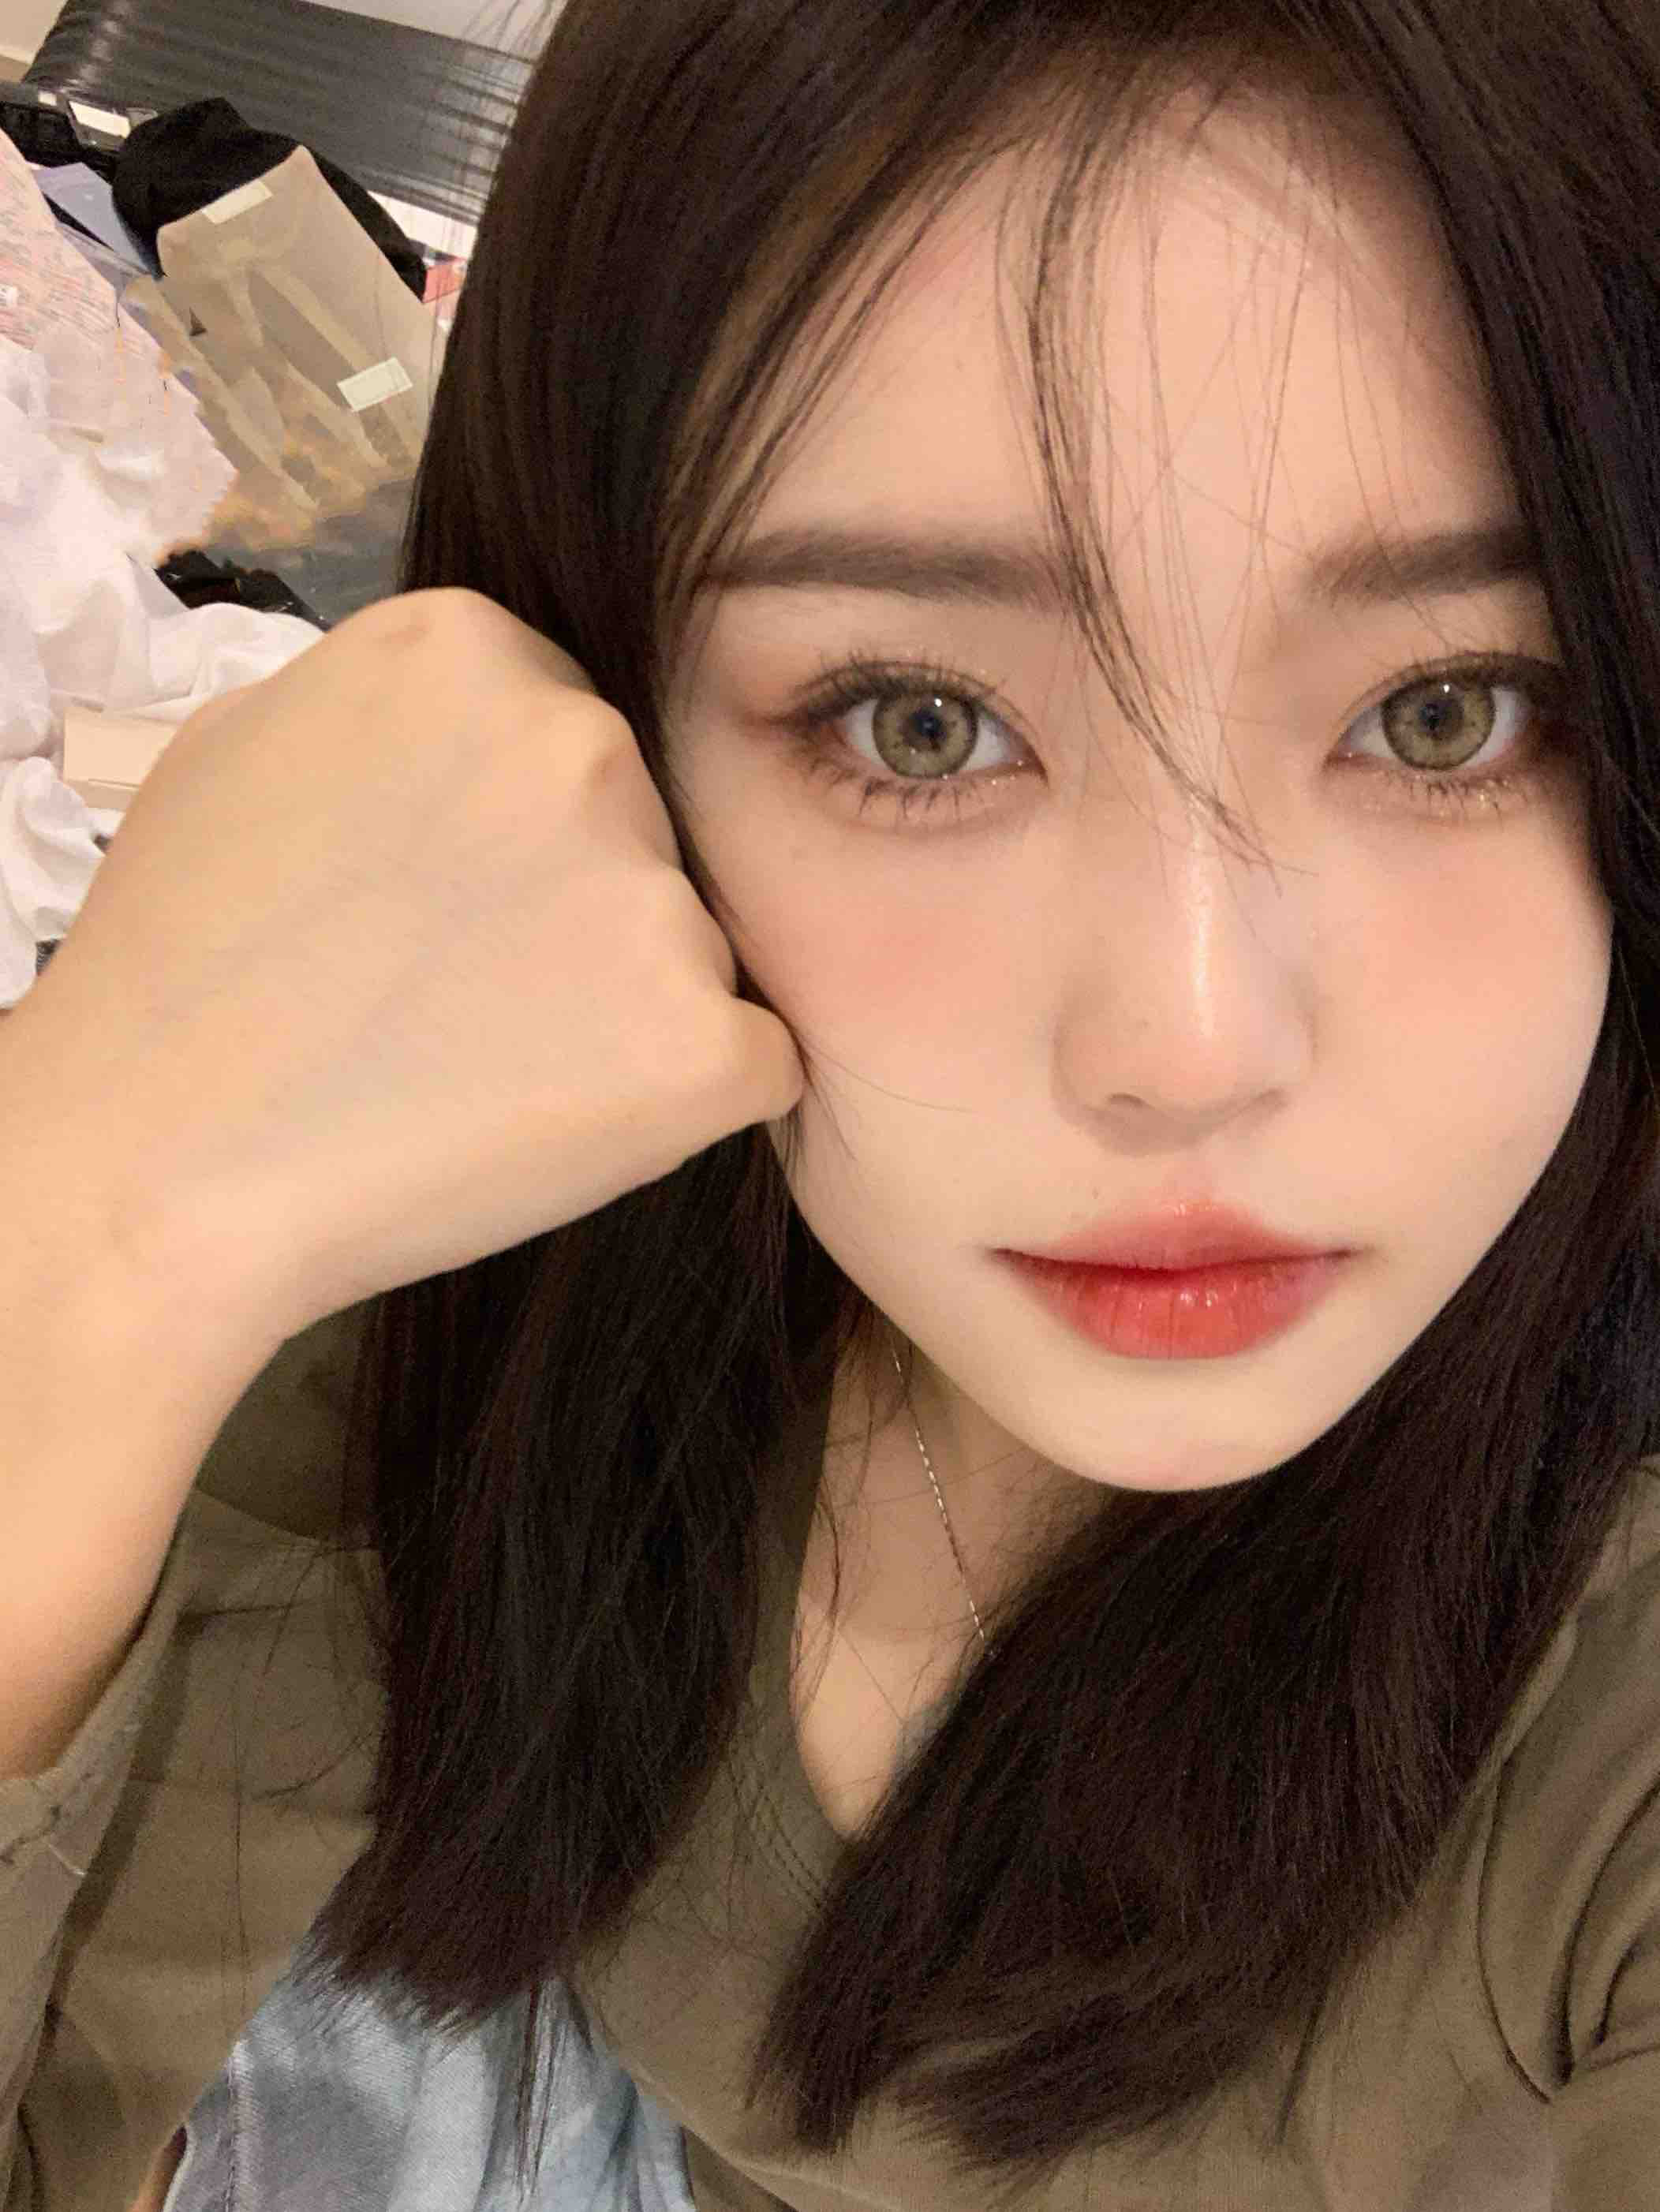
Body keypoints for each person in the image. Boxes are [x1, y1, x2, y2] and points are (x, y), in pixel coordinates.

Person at [5, 0, 1660, 2206]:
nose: (1189, 1043)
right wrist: (80, 1219)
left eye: (1447, 711)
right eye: (918, 723)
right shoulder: (476, 1302)